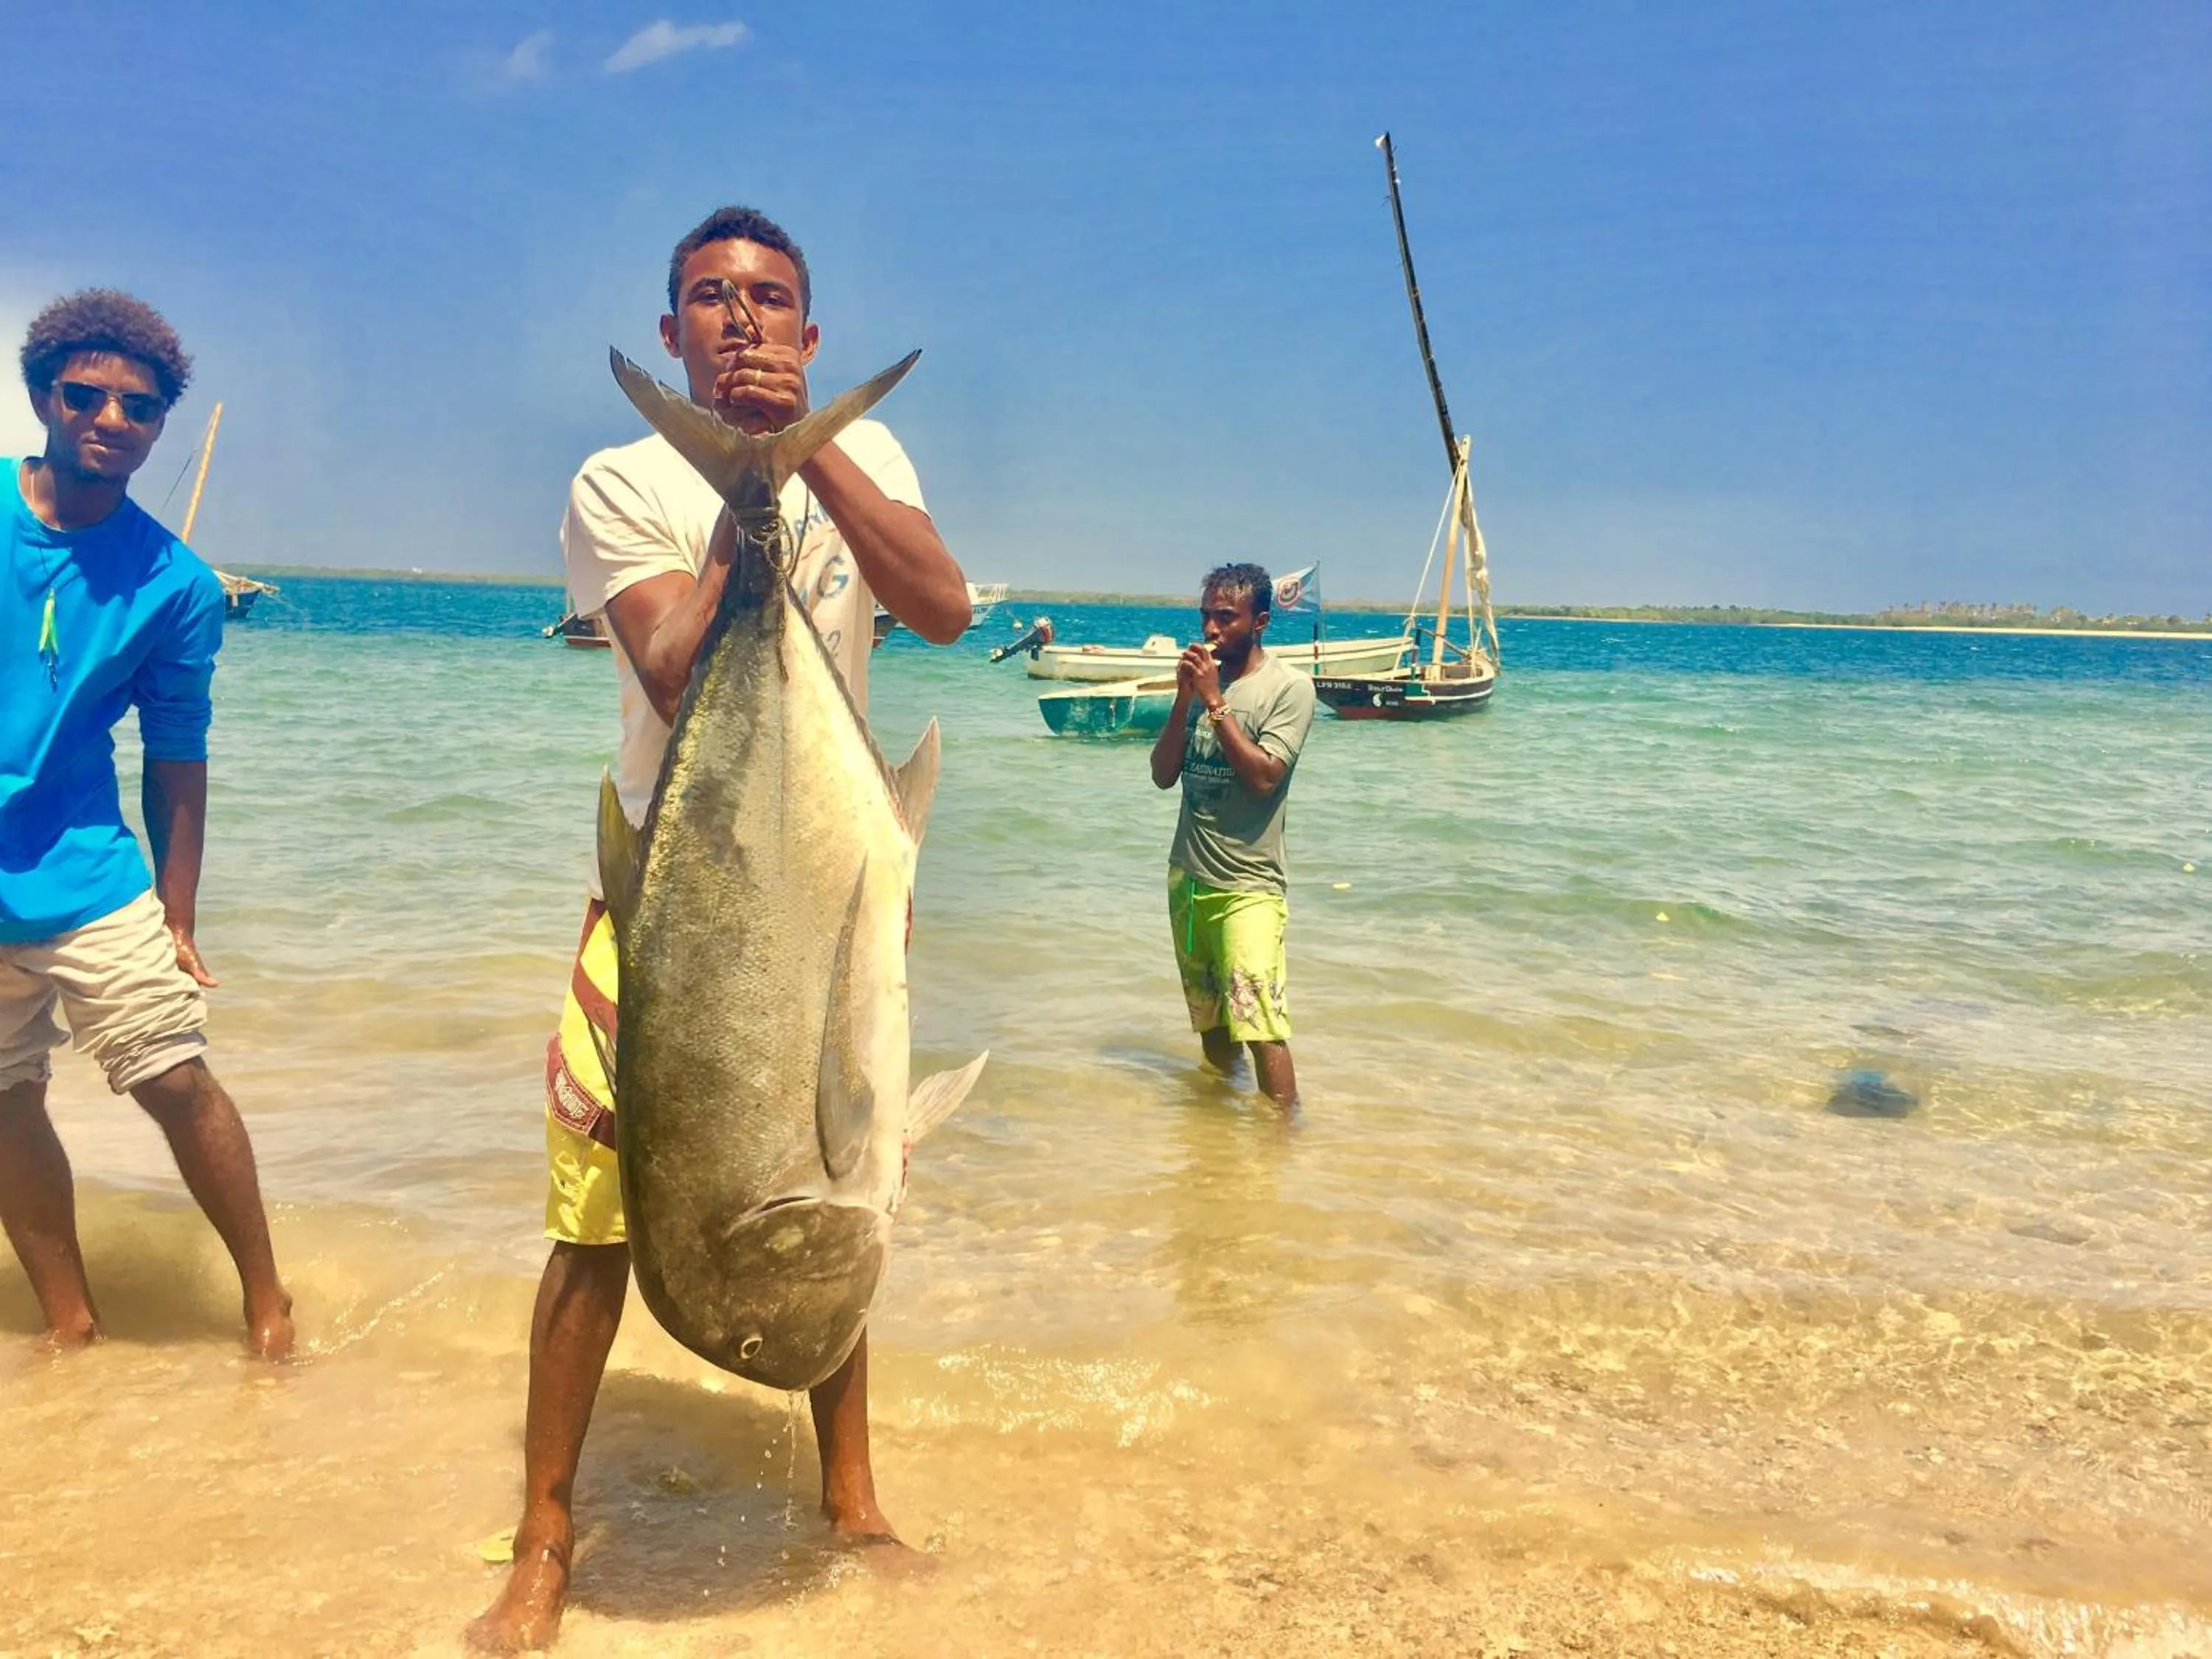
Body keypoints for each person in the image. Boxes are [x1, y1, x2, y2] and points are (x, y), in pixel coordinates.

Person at [469, 206, 970, 1654]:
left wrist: (809, 451)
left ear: (810, 333)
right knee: (598, 1212)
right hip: (675, 894)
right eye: (708, 297)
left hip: (837, 881)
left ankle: (854, 1504)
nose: (738, 318)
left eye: (765, 299)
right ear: (671, 329)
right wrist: (745, 502)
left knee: (841, 1166)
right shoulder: (620, 478)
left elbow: (942, 609)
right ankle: (545, 1534)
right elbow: (677, 668)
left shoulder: (871, 451)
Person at [0, 290, 293, 1359]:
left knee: (172, 1075)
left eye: (139, 406)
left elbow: (177, 751)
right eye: (86, 395)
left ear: (162, 422)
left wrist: (178, 911)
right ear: (44, 396)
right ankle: (70, 1325)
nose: (111, 419)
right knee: (5, 1097)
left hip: (86, 872)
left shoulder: (176, 585)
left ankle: (267, 1303)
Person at [1148, 563, 1317, 1114]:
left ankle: (1283, 1136)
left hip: (1248, 887)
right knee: (1211, 1022)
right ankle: (1219, 1139)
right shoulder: (1201, 685)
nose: (1211, 629)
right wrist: (1184, 698)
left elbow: (1265, 777)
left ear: (1260, 621)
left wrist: (1214, 702)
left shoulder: (1289, 688)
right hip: (1189, 880)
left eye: (1226, 617)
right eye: (1206, 616)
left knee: (1261, 1024)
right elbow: (1163, 774)